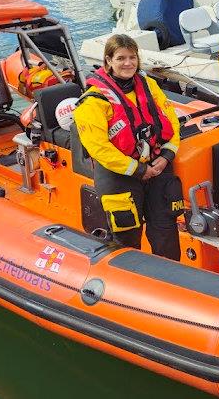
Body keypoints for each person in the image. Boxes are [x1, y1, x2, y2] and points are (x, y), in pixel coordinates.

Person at [73, 34, 182, 260]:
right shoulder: (92, 102)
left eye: (132, 57)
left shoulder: (149, 86)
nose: (128, 63)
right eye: (121, 58)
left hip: (157, 167)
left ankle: (170, 280)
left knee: (166, 232)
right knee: (126, 238)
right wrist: (139, 170)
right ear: (108, 61)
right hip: (120, 175)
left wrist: (168, 155)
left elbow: (171, 120)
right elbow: (99, 148)